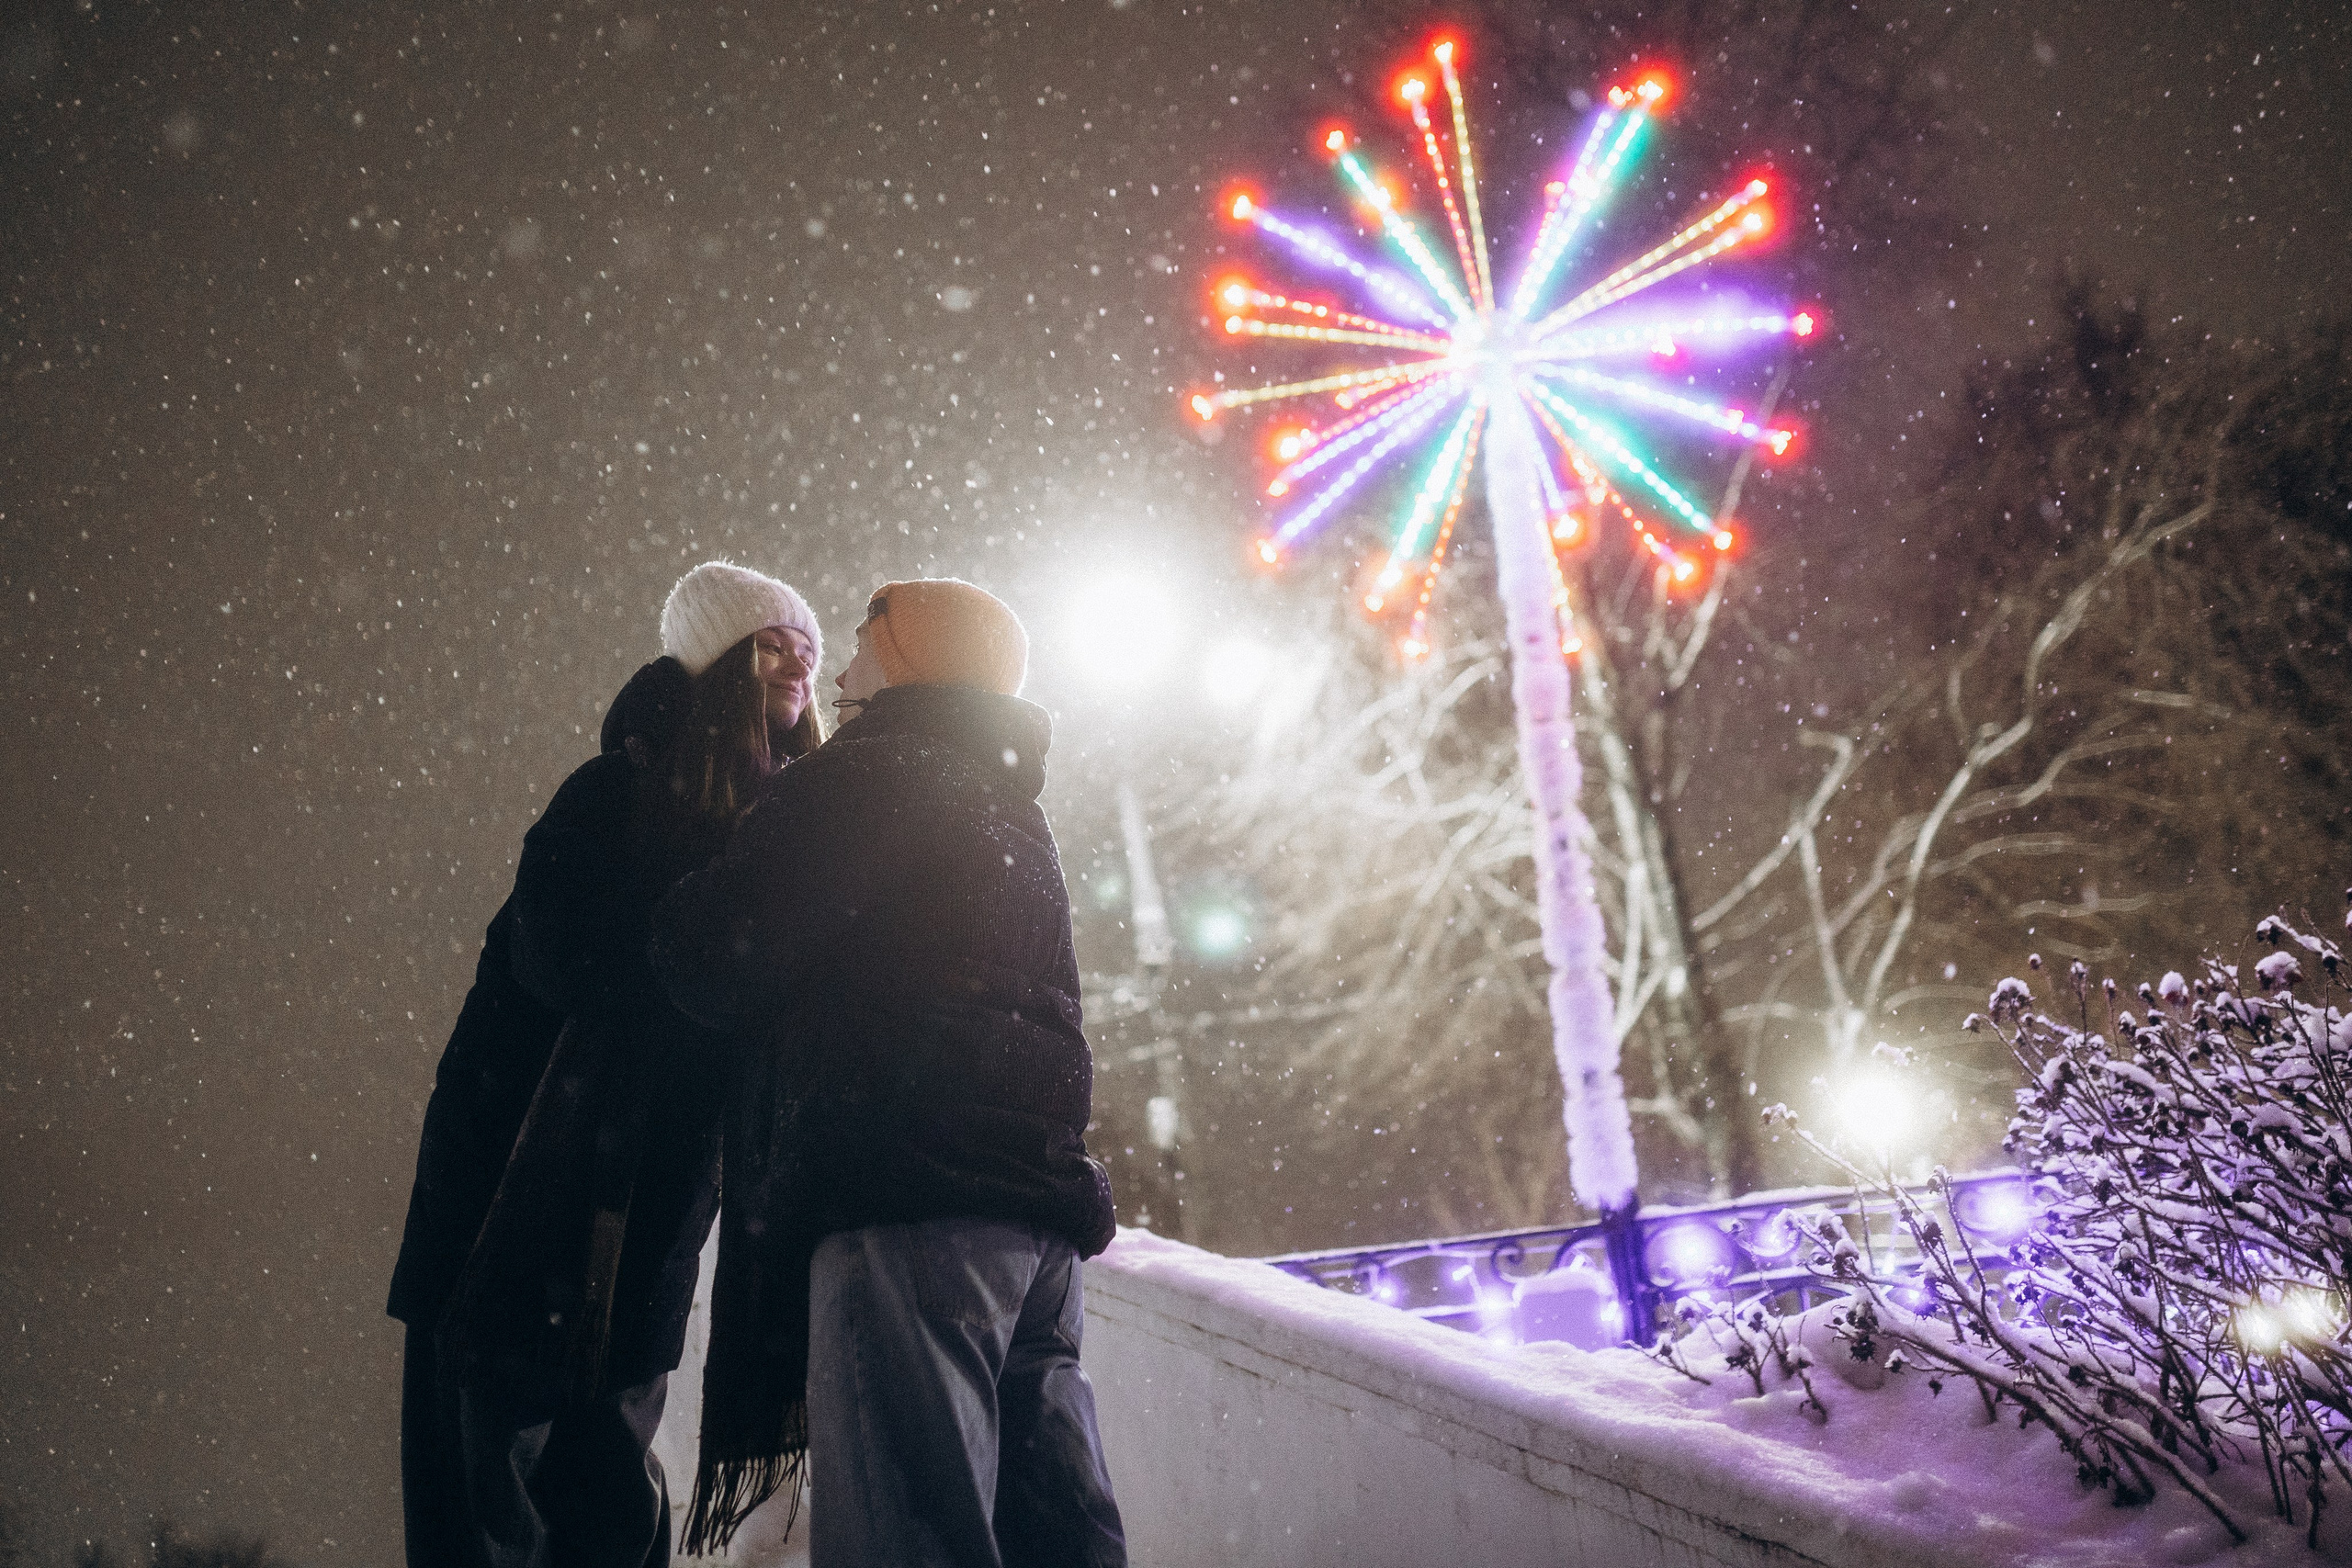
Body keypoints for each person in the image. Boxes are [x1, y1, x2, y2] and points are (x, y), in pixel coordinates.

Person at [651, 579, 1125, 1568]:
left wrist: (682, 886)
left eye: (864, 639)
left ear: (906, 658)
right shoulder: (1006, 804)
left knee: (906, 1528)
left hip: (908, 1205)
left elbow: (719, 952)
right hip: (1032, 1223)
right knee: (1053, 1527)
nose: (841, 663)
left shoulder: (869, 776)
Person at [387, 560, 825, 1568]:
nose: (800, 660)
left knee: (605, 1474)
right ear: (717, 660)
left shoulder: (787, 823)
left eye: (808, 642)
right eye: (772, 641)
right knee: (492, 1470)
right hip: (515, 1199)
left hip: (653, 1203)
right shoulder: (614, 790)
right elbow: (559, 958)